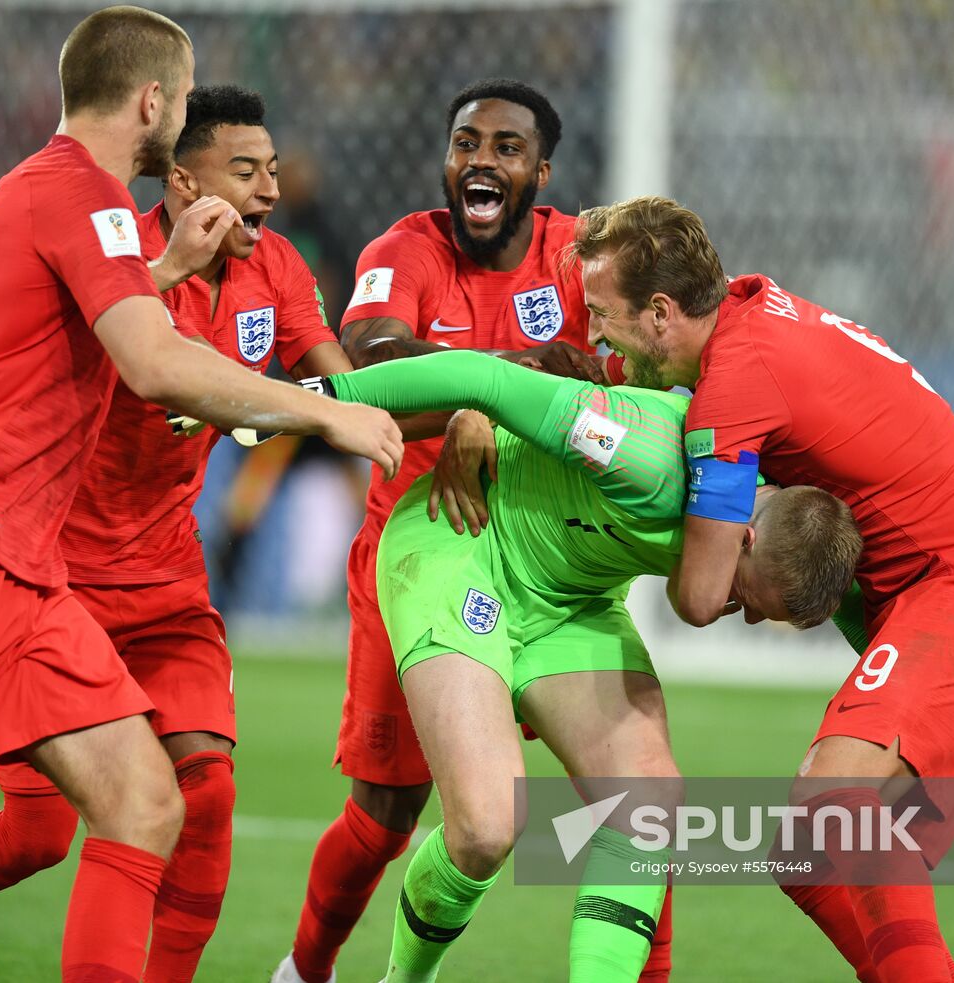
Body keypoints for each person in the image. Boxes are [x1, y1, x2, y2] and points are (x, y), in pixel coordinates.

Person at [0, 9, 402, 983]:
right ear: (151, 102)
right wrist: (325, 414)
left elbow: (81, 311)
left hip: (24, 560)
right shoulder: (76, 190)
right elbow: (155, 362)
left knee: (144, 800)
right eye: (180, 102)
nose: (181, 119)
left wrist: (166, 271)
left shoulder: (81, 204)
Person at [572, 196, 954, 983]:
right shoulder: (755, 313)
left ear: (661, 312)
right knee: (812, 856)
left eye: (602, 314)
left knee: (835, 802)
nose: (597, 335)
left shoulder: (734, 388)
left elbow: (698, 597)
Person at [298, 348, 860, 981]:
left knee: (648, 805)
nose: (748, 617)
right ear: (745, 538)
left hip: (573, 602)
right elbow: (485, 379)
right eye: (753, 600)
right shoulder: (642, 453)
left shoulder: (781, 505)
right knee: (486, 828)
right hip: (467, 546)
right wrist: (317, 397)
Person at [278, 75, 669, 983]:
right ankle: (304, 971)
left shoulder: (582, 256)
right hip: (427, 550)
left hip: (551, 559)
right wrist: (504, 382)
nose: (480, 160)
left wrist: (496, 397)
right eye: (466, 143)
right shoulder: (404, 249)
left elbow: (635, 365)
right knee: (385, 814)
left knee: (640, 809)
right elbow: (373, 361)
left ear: (542, 171)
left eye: (506, 147)